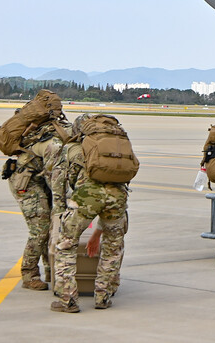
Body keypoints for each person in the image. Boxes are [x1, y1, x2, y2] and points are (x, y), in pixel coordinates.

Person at [50, 114, 129, 313]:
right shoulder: (115, 145)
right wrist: (99, 231)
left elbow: (58, 182)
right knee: (113, 247)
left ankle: (68, 300)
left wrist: (59, 213)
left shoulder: (72, 148)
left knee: (66, 246)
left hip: (87, 196)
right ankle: (103, 296)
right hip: (118, 196)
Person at [1, 97, 67, 291]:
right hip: (26, 182)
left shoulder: (58, 131)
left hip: (38, 178)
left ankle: (51, 271)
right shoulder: (55, 143)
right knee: (41, 228)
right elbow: (55, 177)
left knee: (51, 225)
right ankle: (29, 274)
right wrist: (61, 204)